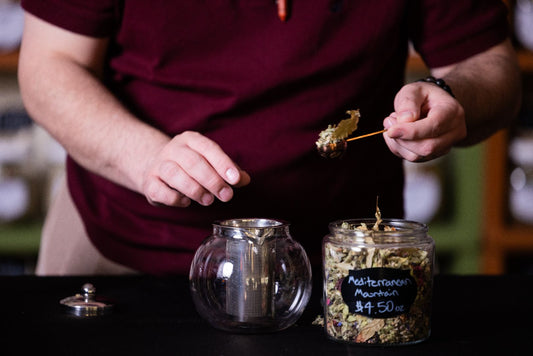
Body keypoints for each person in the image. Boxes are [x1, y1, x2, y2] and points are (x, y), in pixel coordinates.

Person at [17, 0, 521, 275]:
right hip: (123, 246)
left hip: (341, 263)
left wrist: (452, 96)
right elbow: (49, 67)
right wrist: (142, 154)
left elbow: (491, 67)